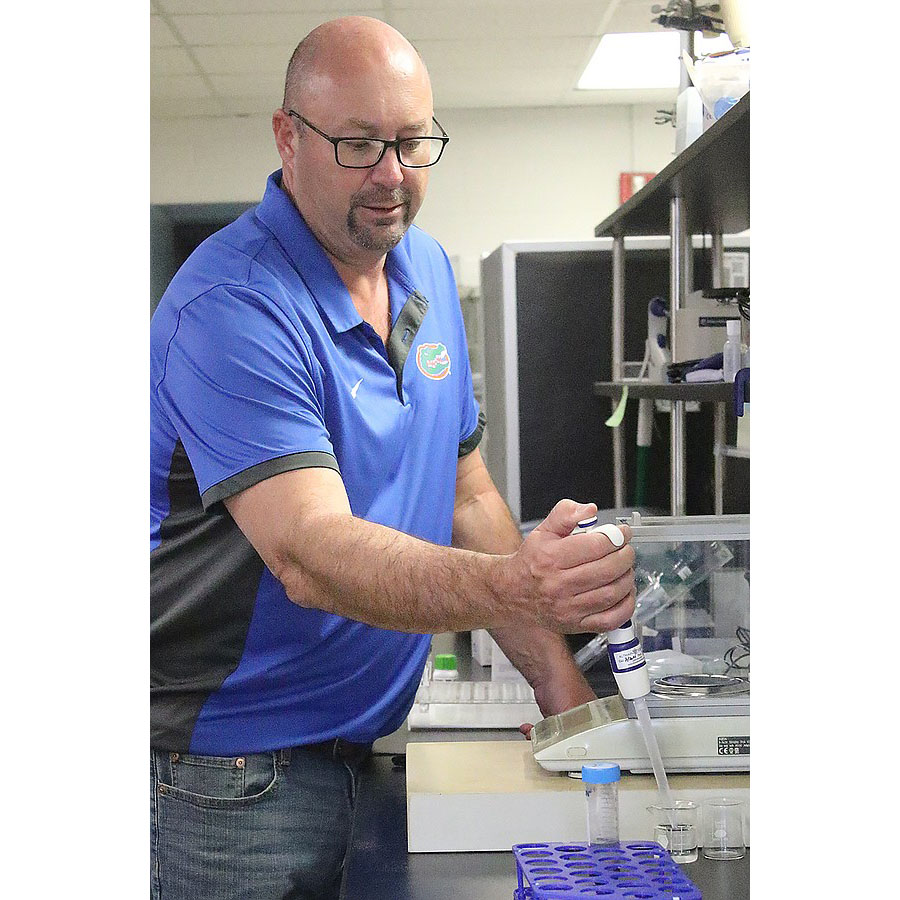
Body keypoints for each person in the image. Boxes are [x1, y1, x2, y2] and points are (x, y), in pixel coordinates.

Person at [150, 15, 636, 900]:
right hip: (224, 777)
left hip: (360, 745)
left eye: (413, 143)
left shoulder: (426, 268)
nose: (392, 176)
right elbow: (307, 553)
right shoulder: (231, 305)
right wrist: (518, 586)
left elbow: (465, 489)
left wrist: (564, 688)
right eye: (359, 143)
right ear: (287, 138)